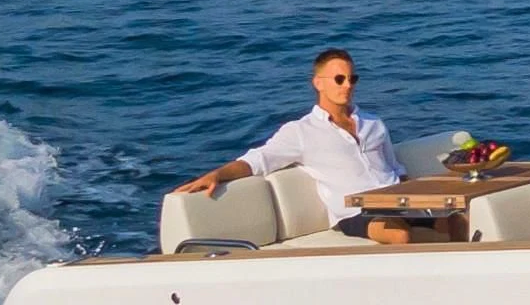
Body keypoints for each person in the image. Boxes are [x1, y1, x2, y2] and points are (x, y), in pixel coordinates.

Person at [173, 46, 409, 236]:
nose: (347, 85)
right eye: (339, 79)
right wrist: (217, 174)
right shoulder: (301, 132)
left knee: (431, 222)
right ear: (318, 83)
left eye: (352, 78)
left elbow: (395, 169)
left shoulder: (373, 123)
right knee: (398, 234)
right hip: (356, 213)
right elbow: (259, 160)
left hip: (397, 202)